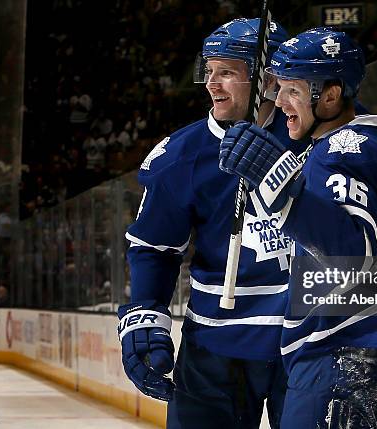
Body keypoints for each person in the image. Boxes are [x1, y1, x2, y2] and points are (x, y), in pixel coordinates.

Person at [219, 28, 377, 428]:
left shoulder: (333, 154)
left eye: (292, 91)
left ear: (331, 95)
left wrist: (280, 188)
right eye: (279, 88)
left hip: (339, 352)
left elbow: (352, 253)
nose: (279, 101)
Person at [117, 18, 302, 429]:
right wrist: (144, 314)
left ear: (269, 78)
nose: (211, 84)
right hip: (217, 345)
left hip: (307, 335)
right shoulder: (180, 156)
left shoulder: (316, 135)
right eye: (209, 71)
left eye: (228, 73)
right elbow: (154, 248)